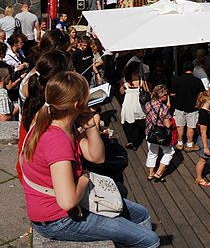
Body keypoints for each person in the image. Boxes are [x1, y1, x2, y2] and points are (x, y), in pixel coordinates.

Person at [20, 72, 159, 248]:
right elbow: (67, 201)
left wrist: (90, 126)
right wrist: (84, 178)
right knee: (150, 240)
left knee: (141, 214)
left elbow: (97, 157)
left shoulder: (53, 122)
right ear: (77, 105)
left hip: (54, 206)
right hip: (57, 220)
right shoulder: (58, 141)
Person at [142, 84, 175, 182]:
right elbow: (168, 125)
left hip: (150, 132)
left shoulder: (148, 104)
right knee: (169, 152)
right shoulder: (163, 108)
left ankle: (150, 174)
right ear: (162, 96)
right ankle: (159, 173)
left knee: (152, 152)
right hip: (161, 134)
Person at [171, 63, 205, 151]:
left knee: (180, 126)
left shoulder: (177, 80)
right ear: (193, 69)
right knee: (191, 127)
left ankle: (179, 143)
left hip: (179, 106)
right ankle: (189, 144)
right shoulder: (197, 81)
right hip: (193, 107)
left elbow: (172, 94)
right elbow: (202, 94)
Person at [119, 60, 148, 149]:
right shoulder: (141, 80)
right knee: (137, 123)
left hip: (128, 103)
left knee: (128, 122)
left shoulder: (123, 80)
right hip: (137, 103)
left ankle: (131, 141)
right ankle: (136, 141)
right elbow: (147, 91)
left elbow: (121, 92)